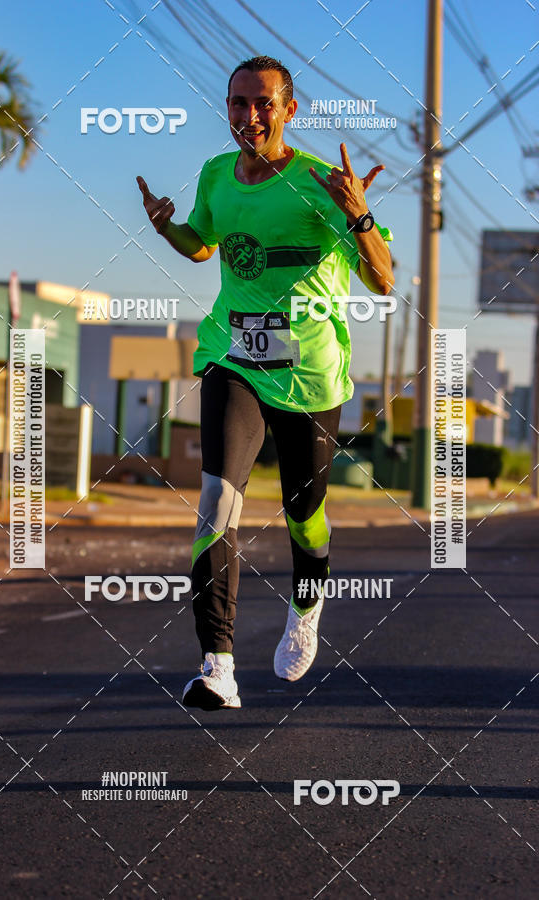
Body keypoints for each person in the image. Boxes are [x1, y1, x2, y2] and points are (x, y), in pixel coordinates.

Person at [137, 55, 394, 710]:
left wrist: (360, 216)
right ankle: (217, 663)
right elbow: (205, 245)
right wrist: (169, 226)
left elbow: (384, 280)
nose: (248, 117)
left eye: (262, 104)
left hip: (309, 373)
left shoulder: (320, 182)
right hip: (235, 356)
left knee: (305, 517)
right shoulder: (217, 174)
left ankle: (307, 608)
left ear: (289, 111)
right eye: (237, 104)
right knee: (217, 501)